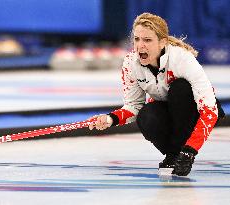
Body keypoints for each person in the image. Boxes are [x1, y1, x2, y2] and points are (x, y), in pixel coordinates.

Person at [89, 12, 225, 176]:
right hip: (166, 110)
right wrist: (110, 119)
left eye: (147, 40)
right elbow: (133, 106)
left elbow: (209, 111)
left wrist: (191, 150)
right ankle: (174, 154)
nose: (140, 46)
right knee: (147, 116)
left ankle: (180, 153)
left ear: (162, 42)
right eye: (137, 39)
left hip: (194, 110)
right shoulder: (130, 63)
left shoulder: (182, 59)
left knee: (180, 89)